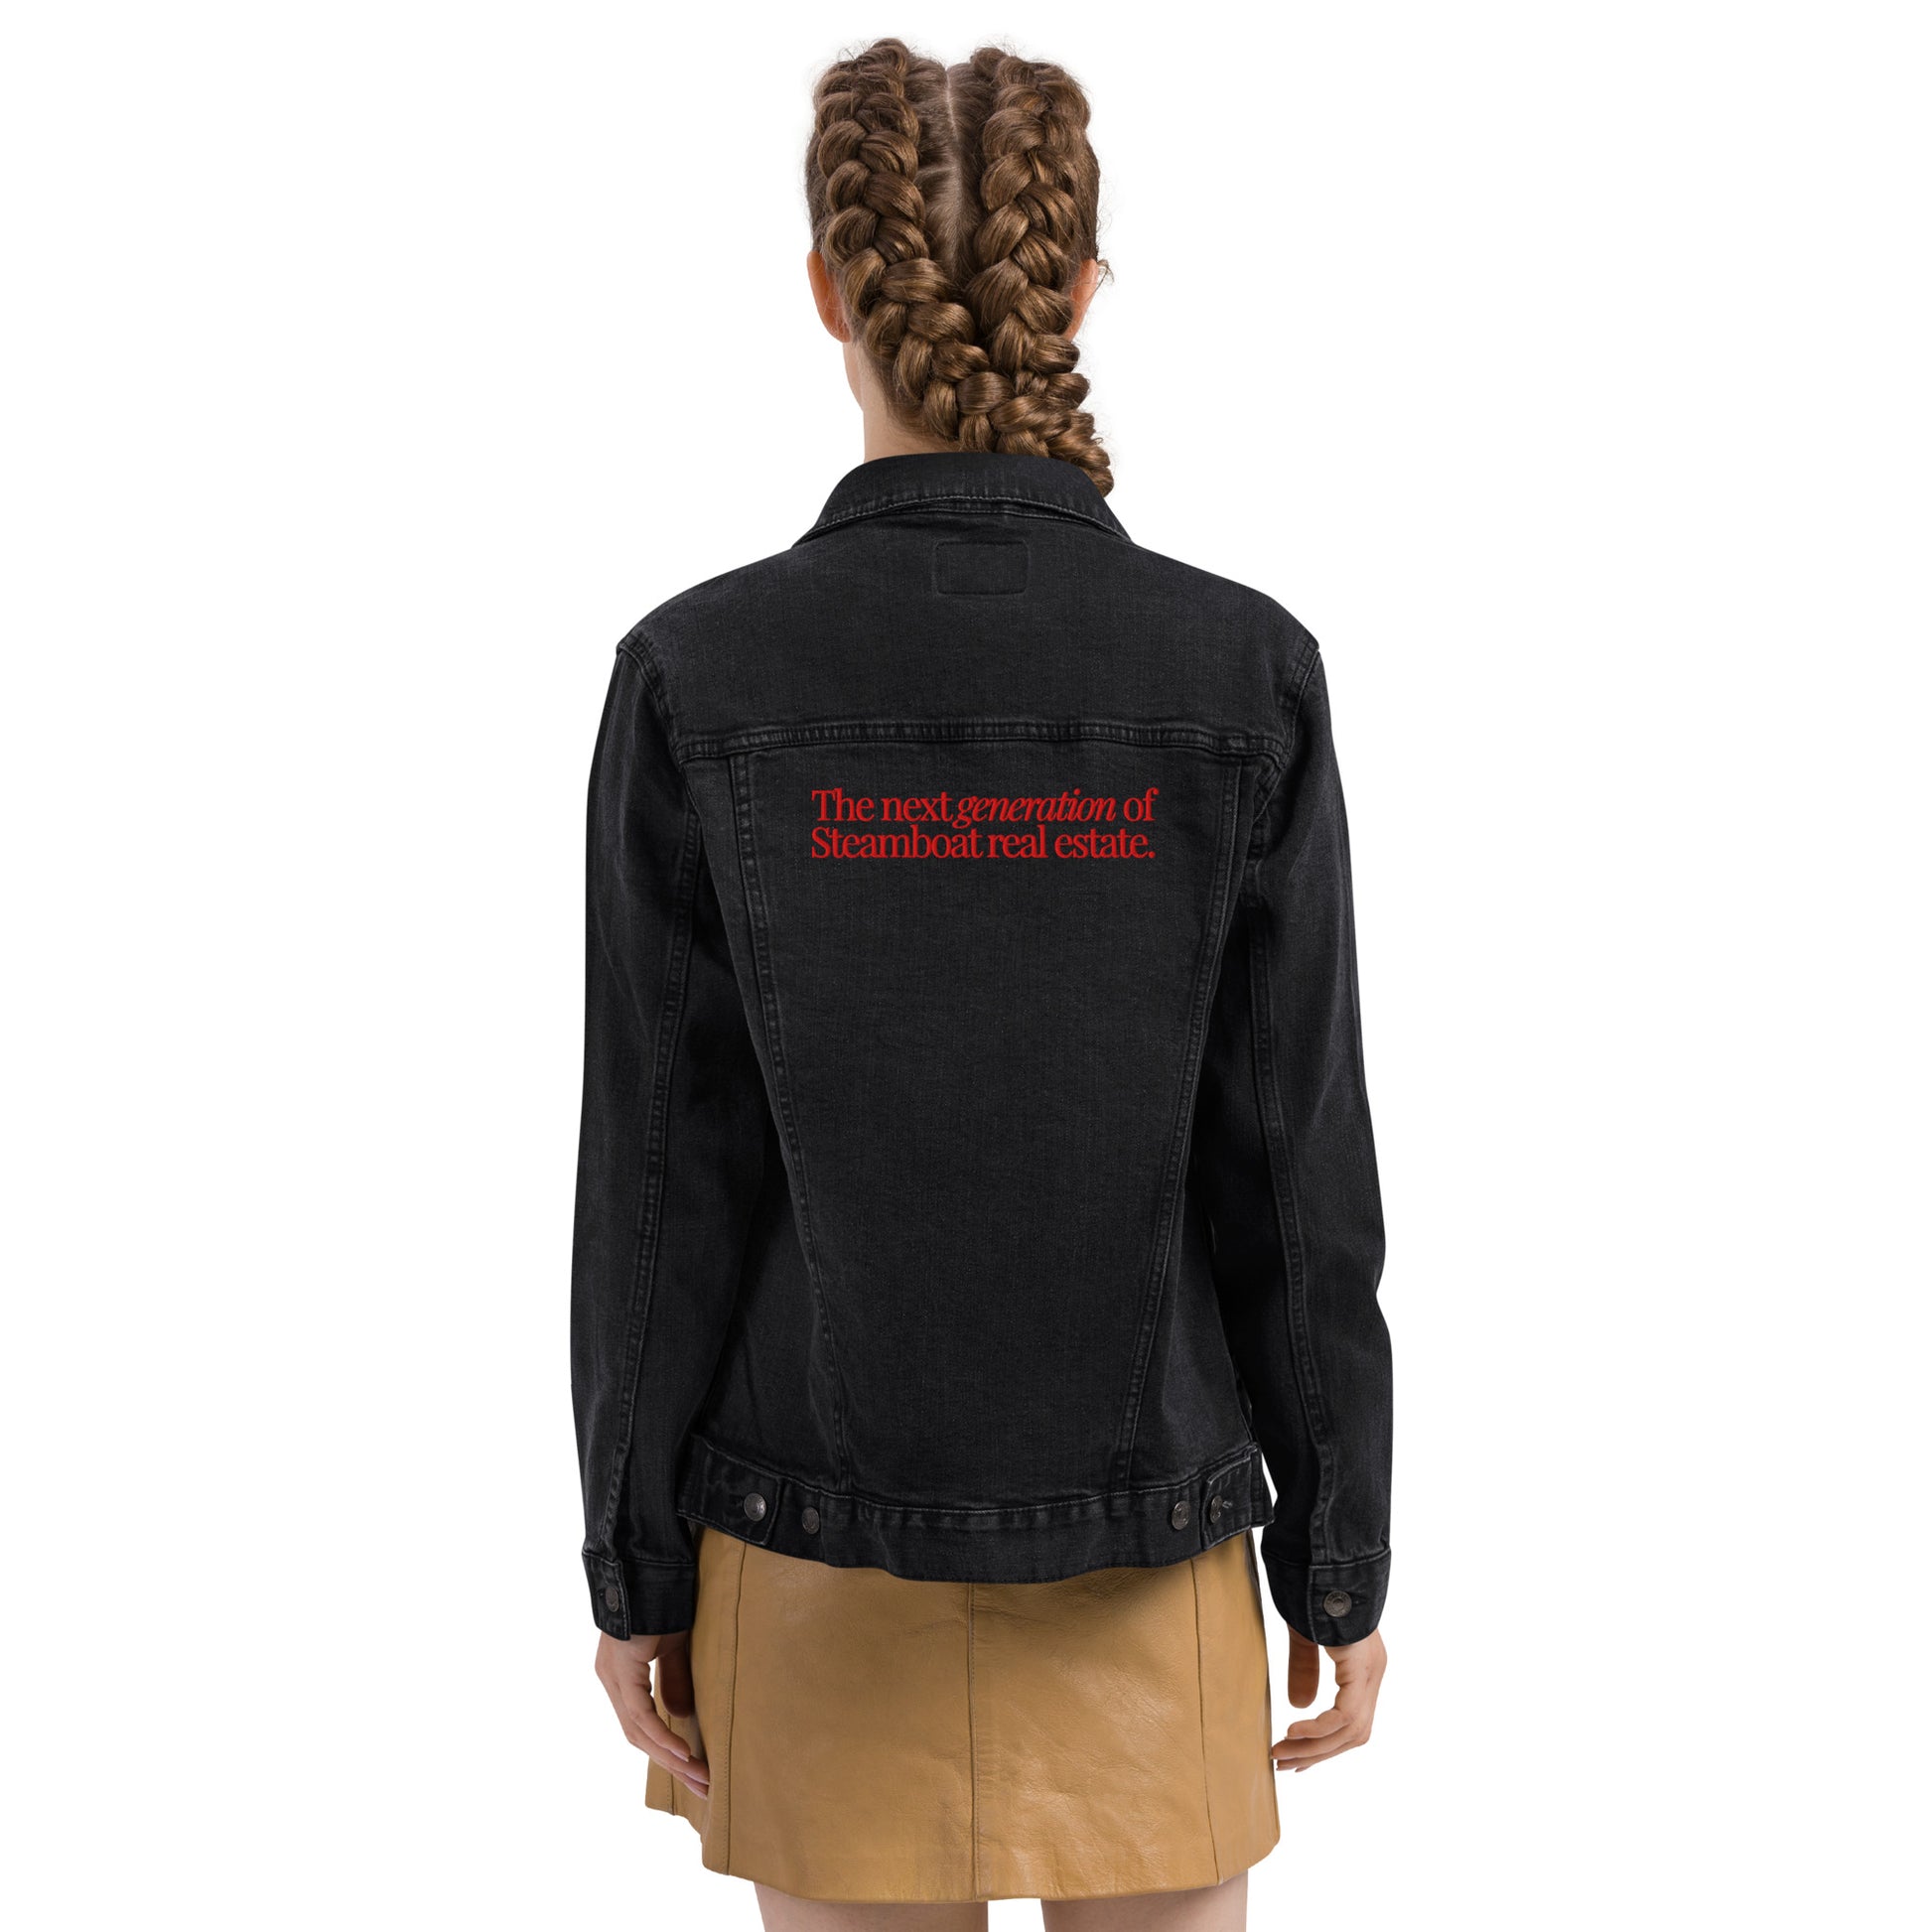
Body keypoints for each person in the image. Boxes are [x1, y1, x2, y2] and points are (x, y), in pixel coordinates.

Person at [571, 37, 1392, 1930]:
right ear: (1080, 290)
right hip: (1153, 1556)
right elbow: (1292, 1174)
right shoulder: (1239, 673)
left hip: (800, 1546)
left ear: (825, 291)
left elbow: (660, 1181)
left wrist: (633, 1569)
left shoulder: (700, 675)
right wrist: (1339, 1559)